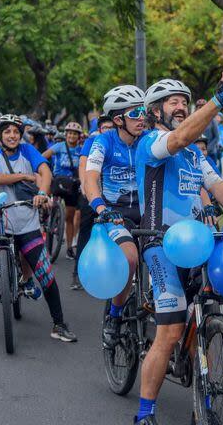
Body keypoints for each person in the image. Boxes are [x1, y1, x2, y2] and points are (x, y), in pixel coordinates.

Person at [133, 76, 223, 424]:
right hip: (160, 243)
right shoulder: (151, 142)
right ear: (155, 111)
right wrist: (217, 101)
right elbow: (180, 136)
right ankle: (144, 413)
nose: (180, 107)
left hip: (199, 242)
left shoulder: (196, 156)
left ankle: (204, 384)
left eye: (184, 101)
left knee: (213, 306)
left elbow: (220, 189)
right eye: (172, 102)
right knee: (170, 328)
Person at [0, 114, 76, 343]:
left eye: (16, 132)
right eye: (7, 131)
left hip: (27, 224)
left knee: (46, 275)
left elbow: (46, 172)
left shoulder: (28, 150)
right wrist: (26, 175)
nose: (12, 136)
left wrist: (42, 192)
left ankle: (59, 324)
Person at [85, 84, 146, 347]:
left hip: (148, 214)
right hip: (116, 214)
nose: (142, 117)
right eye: (136, 113)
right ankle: (115, 314)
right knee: (130, 259)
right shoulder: (104, 141)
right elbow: (90, 178)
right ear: (119, 119)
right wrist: (101, 207)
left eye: (144, 111)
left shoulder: (148, 140)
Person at [72, 114, 115, 290]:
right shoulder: (93, 141)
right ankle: (77, 274)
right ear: (99, 130)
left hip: (113, 196)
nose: (108, 131)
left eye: (111, 127)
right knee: (86, 232)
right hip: (92, 194)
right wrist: (85, 186)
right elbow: (83, 164)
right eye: (105, 128)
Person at [42, 122, 82, 260]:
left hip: (73, 184)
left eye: (75, 133)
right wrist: (44, 170)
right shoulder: (59, 146)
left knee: (70, 216)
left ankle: (69, 247)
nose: (72, 136)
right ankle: (48, 219)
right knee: (51, 203)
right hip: (58, 181)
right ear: (66, 135)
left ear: (78, 136)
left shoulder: (80, 150)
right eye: (69, 133)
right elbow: (42, 157)